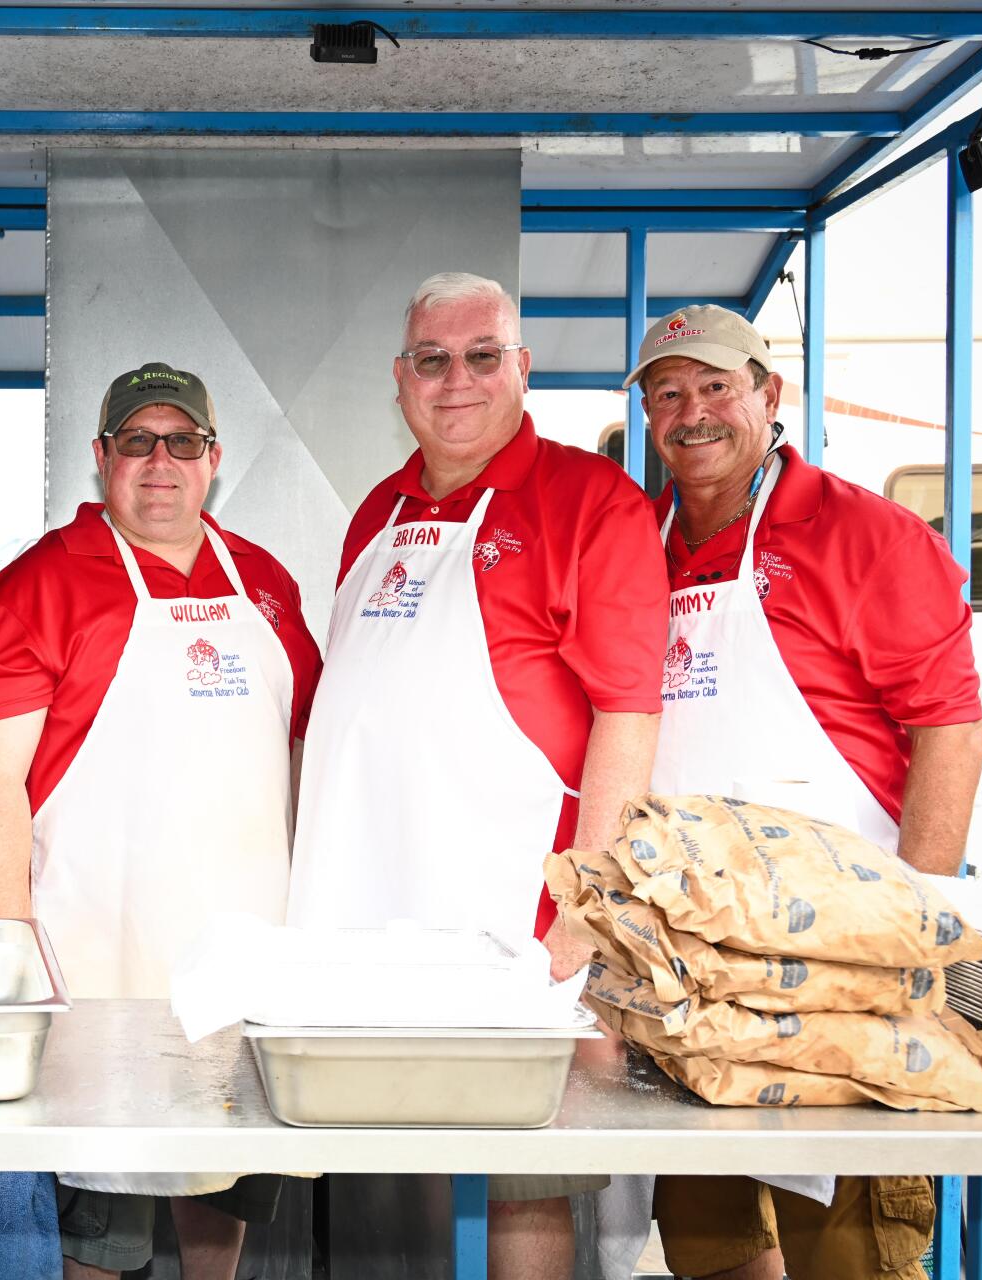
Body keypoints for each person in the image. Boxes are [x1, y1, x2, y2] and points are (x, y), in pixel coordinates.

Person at [284, 272, 668, 1277]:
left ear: (521, 367)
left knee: (520, 1169)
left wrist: (581, 908)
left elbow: (629, 715)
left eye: (482, 355)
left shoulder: (593, 503)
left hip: (511, 912)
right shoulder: (378, 507)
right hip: (368, 908)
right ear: (400, 379)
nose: (457, 380)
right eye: (432, 359)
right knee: (376, 1166)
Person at [629, 304, 982, 1280]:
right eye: (667, 393)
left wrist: (915, 918)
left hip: (841, 963)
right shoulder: (637, 543)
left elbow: (950, 723)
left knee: (851, 1248)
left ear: (768, 395)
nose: (691, 412)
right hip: (695, 963)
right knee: (707, 1235)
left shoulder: (866, 533)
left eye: (715, 387)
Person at [0, 362, 322, 1280]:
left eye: (183, 442)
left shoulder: (265, 581)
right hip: (101, 960)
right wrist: (15, 942)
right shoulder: (44, 583)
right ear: (102, 457)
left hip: (242, 954)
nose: (160, 461)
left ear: (213, 458)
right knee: (105, 1219)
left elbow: (302, 751)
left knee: (223, 1185)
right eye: (136, 441)